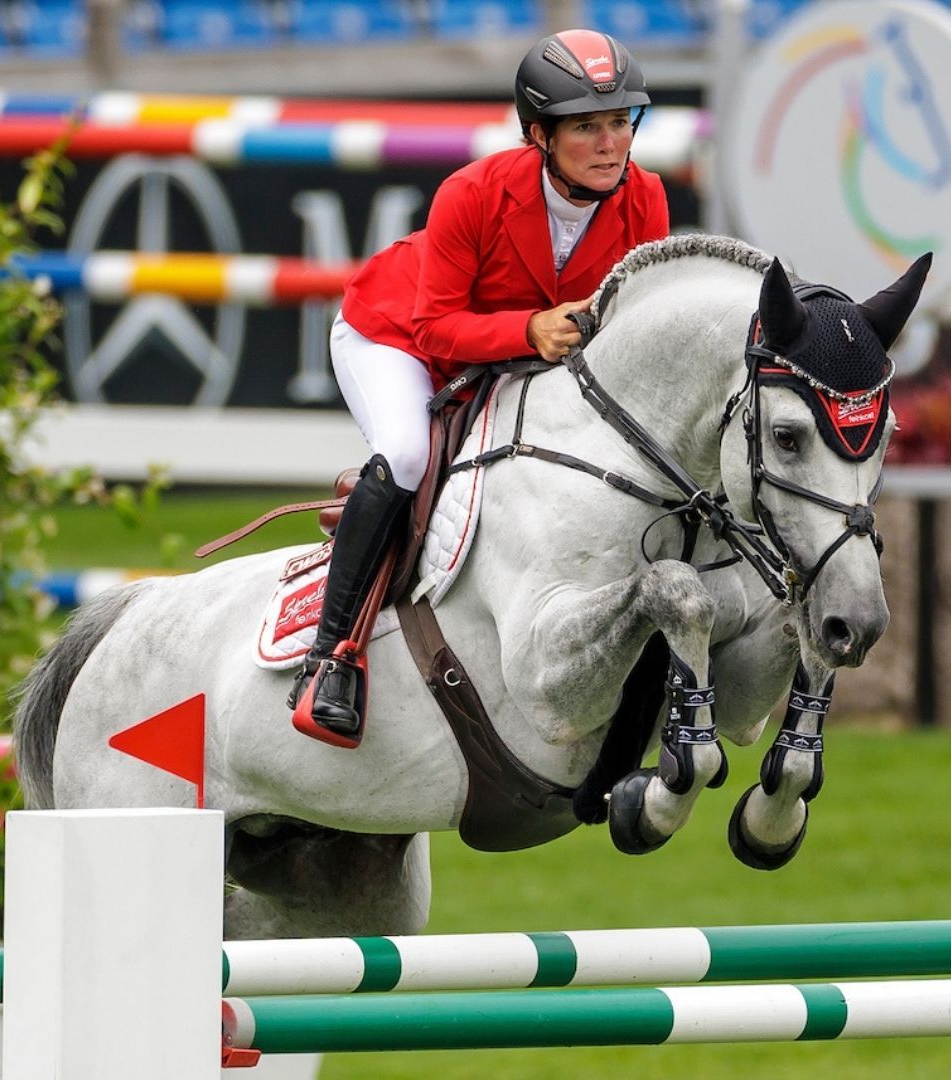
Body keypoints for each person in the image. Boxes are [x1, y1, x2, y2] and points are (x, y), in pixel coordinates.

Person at [288, 29, 672, 749]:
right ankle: (331, 658)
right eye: (587, 126)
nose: (610, 142)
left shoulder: (644, 200)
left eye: (622, 121)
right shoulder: (472, 191)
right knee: (405, 454)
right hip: (395, 336)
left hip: (517, 359)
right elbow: (434, 329)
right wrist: (528, 332)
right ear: (539, 134)